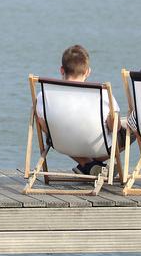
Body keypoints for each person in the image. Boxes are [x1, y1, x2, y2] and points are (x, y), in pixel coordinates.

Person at [35, 44, 118, 176]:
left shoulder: (44, 95)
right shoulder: (102, 93)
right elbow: (113, 127)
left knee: (57, 129)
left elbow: (43, 125)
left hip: (61, 143)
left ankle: (87, 165)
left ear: (62, 70)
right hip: (99, 147)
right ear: (87, 72)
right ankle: (91, 165)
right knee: (126, 129)